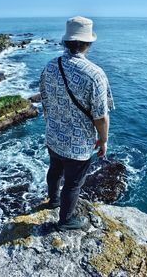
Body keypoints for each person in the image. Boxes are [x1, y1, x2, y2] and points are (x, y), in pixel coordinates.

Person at [39, 16, 114, 230]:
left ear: (66, 41)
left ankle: (52, 200)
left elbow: (45, 98)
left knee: (55, 170)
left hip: (53, 135)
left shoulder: (50, 66)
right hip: (78, 144)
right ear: (88, 44)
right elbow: (101, 116)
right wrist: (103, 140)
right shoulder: (94, 74)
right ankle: (65, 221)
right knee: (73, 183)